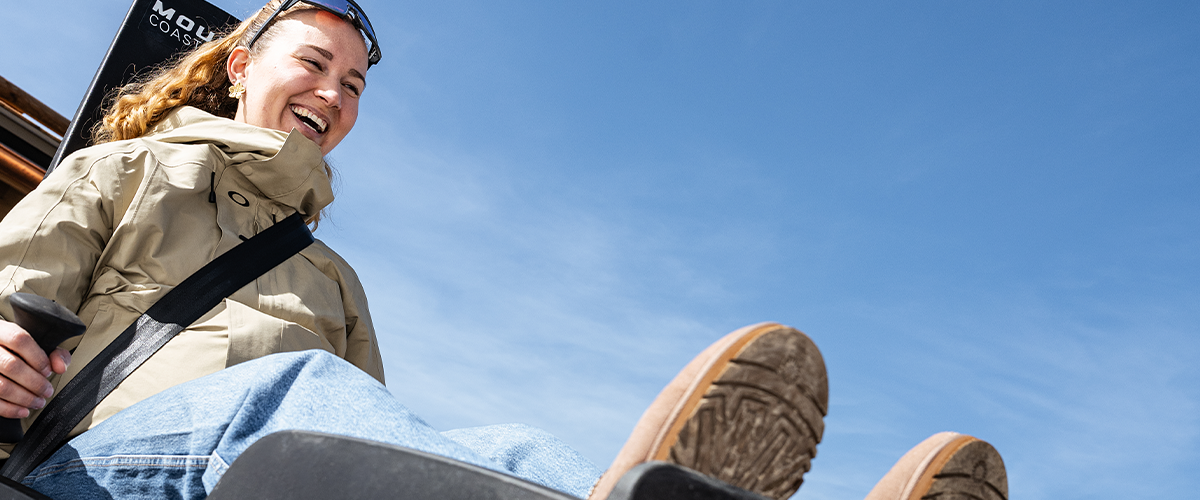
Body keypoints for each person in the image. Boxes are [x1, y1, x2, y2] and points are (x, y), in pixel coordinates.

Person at [0, 1, 1009, 499]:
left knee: (510, 450)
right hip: (87, 458)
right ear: (240, 65)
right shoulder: (127, 171)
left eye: (355, 84)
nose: (335, 94)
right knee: (286, 394)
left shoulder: (331, 276)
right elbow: (15, 283)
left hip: (254, 470)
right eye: (317, 63)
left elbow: (369, 437)